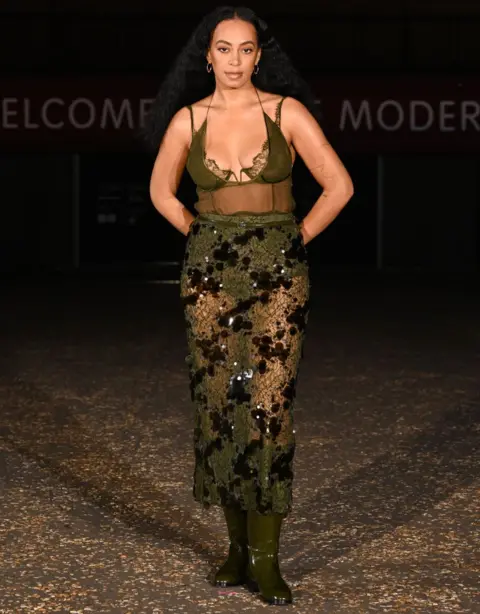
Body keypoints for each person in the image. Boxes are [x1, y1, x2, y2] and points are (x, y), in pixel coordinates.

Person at [146, 5, 353, 606]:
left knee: (267, 406)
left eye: (245, 49)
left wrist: (295, 237)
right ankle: (235, 551)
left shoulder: (285, 112)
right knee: (219, 404)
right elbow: (160, 192)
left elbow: (338, 185)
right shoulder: (188, 120)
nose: (234, 60)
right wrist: (198, 232)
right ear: (206, 56)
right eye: (224, 48)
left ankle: (266, 560)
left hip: (278, 274)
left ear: (259, 56)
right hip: (210, 275)